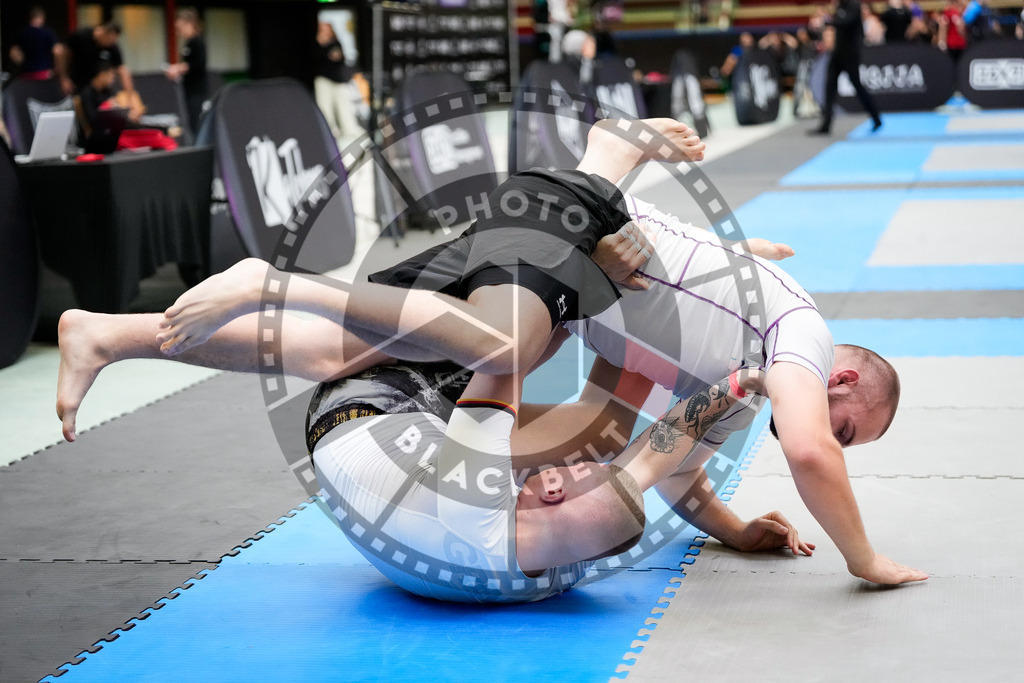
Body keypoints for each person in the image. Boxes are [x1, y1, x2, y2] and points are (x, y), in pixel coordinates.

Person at [57, 118, 926, 586]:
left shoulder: (708, 368)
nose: (824, 435)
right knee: (508, 347)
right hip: (568, 225)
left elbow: (665, 460)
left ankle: (109, 332)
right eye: (853, 425)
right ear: (839, 375)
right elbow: (803, 450)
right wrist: (864, 559)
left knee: (332, 351)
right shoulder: (800, 340)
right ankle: (608, 153)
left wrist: (733, 528)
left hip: (533, 245)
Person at [309, 361, 780, 602]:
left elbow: (506, 353)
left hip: (364, 399)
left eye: (572, 471)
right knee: (607, 432)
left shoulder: (471, 504)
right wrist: (739, 384)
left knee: (530, 322)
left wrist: (577, 298)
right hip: (414, 445)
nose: (567, 466)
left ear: (553, 488)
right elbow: (647, 462)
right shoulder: (563, 567)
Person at [811, 0, 882, 135]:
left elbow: (845, 23)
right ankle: (826, 124)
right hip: (838, 54)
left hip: (850, 55)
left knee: (858, 87)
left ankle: (876, 117)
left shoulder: (854, 6)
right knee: (829, 87)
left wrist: (827, 21)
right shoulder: (840, 7)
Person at [313, 21, 364, 148]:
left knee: (344, 108)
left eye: (326, 28)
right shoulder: (316, 44)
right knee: (325, 109)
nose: (324, 30)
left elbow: (339, 58)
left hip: (338, 80)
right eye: (321, 28)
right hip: (323, 80)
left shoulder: (335, 43)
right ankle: (328, 133)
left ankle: (349, 131)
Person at [60, 21, 135, 98]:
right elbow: (63, 53)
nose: (111, 42)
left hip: (96, 86)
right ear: (103, 33)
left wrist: (130, 96)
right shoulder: (81, 36)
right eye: (110, 39)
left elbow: (122, 69)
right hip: (76, 80)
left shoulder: (112, 47)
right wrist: (64, 78)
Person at [164, 8, 207, 136]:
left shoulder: (197, 42)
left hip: (197, 90)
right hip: (187, 88)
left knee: (195, 119)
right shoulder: (187, 43)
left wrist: (178, 68)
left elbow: (198, 64)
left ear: (189, 24)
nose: (179, 31)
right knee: (188, 119)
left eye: (181, 27)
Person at [8, 6, 63, 81]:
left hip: (26, 75)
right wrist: (58, 70)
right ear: (42, 18)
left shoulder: (22, 33)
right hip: (44, 74)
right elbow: (58, 51)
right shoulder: (48, 33)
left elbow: (13, 53)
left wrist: (22, 64)